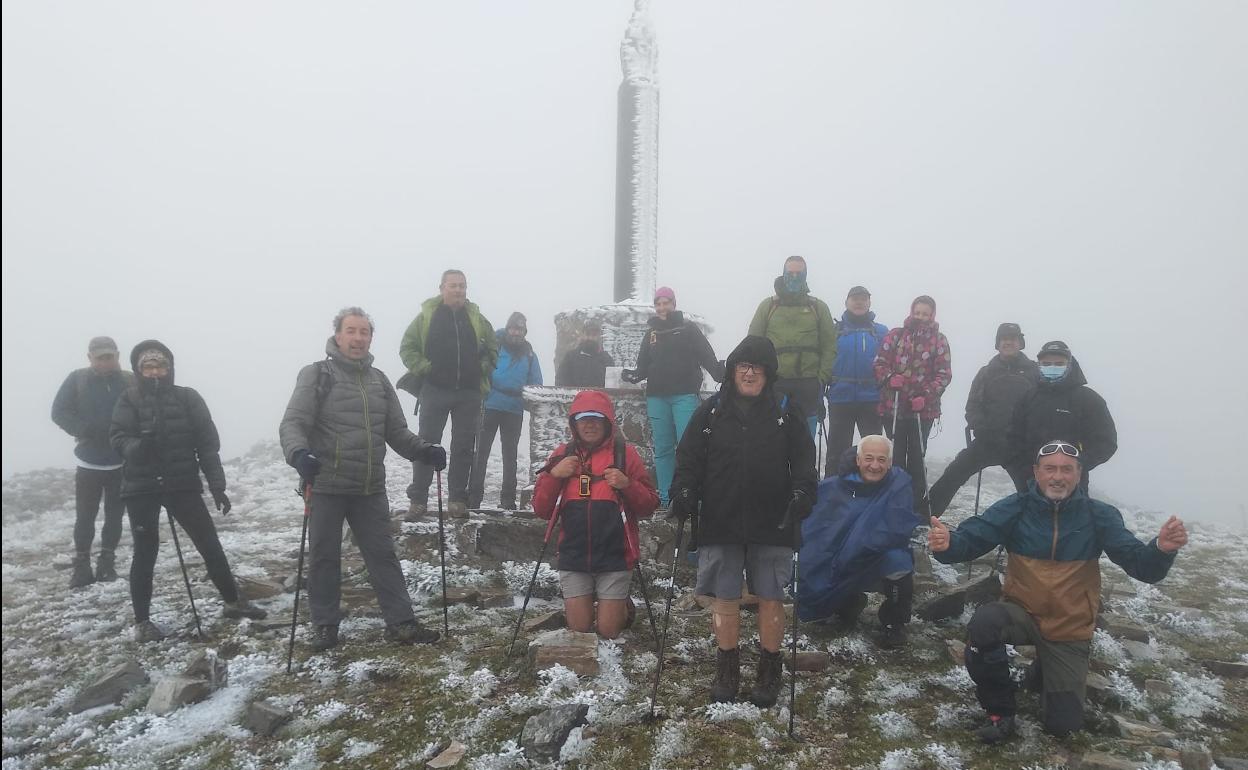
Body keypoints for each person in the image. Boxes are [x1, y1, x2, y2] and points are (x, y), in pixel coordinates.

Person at [929, 441, 1186, 742]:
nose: (1058, 476)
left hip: (1069, 626)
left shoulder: (1099, 515)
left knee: (1063, 727)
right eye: (1050, 468)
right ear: (1036, 472)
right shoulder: (1016, 507)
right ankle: (1001, 712)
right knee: (984, 625)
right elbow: (973, 537)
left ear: (1079, 474)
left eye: (1067, 469)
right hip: (1021, 613)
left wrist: (1161, 550)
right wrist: (949, 544)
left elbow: (1142, 566)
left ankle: (1041, 672)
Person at [280, 307, 446, 651]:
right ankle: (325, 626)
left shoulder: (379, 380)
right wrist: (299, 454)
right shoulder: (317, 375)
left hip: (370, 487)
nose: (358, 338)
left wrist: (425, 450)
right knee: (324, 557)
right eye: (351, 331)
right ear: (337, 335)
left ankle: (401, 623)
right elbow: (293, 423)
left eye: (364, 332)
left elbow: (397, 433)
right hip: (326, 484)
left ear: (371, 337)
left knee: (382, 554)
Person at [670, 335, 817, 707]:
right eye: (743, 366)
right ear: (733, 370)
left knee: (771, 595)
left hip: (774, 517)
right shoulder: (712, 410)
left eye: (757, 367)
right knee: (725, 596)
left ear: (768, 373)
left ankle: (770, 670)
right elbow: (688, 457)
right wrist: (683, 491)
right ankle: (727, 669)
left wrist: (803, 493)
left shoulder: (786, 411)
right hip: (722, 515)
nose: (749, 373)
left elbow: (803, 461)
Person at [111, 341, 266, 642]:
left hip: (181, 483)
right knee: (145, 552)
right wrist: (139, 446)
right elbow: (118, 438)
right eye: (148, 366)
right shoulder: (127, 400)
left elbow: (207, 445)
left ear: (170, 368)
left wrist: (217, 485)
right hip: (141, 487)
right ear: (138, 370)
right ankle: (142, 622)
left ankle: (233, 602)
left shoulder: (187, 398)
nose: (155, 372)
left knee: (208, 542)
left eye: (161, 365)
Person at [531, 390, 659, 638]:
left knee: (608, 631)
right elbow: (541, 510)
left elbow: (649, 505)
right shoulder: (561, 455)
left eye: (596, 418)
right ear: (574, 423)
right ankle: (592, 604)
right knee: (579, 628)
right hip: (574, 555)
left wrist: (627, 485)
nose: (589, 424)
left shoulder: (625, 455)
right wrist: (553, 475)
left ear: (607, 422)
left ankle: (620, 606)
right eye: (583, 419)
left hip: (615, 556)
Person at [797, 435, 920, 648]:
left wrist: (859, 547)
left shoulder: (899, 485)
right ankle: (846, 605)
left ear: (889, 463)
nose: (875, 465)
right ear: (858, 460)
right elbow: (816, 530)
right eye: (869, 458)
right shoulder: (834, 487)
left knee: (898, 561)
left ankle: (894, 622)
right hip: (841, 560)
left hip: (876, 558)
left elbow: (896, 527)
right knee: (818, 563)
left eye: (882, 460)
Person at [399, 269, 497, 520]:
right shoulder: (426, 317)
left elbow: (493, 347)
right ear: (441, 287)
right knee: (426, 444)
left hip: (469, 392)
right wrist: (426, 369)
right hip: (434, 389)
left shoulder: (476, 317)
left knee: (464, 446)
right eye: (453, 285)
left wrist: (482, 368)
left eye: (462, 286)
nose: (458, 290)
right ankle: (418, 500)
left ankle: (457, 500)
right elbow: (407, 347)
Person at [622, 286, 724, 507]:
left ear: (674, 304)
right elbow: (644, 366)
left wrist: (720, 372)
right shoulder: (651, 334)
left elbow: (706, 355)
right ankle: (668, 498)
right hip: (657, 397)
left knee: (689, 446)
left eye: (666, 302)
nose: (662, 307)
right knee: (663, 449)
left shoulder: (688, 329)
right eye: (658, 303)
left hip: (684, 395)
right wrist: (633, 375)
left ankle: (690, 495)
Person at [926, 323, 1040, 515]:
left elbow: (1041, 406)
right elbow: (972, 405)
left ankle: (1035, 527)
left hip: (1022, 446)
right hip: (988, 441)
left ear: (1021, 343)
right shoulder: (986, 372)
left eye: (1013, 339)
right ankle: (925, 517)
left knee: (1031, 490)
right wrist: (979, 426)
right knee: (953, 474)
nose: (1008, 342)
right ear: (997, 344)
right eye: (1004, 339)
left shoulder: (1035, 372)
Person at [51, 335, 135, 589]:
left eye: (110, 356)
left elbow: (144, 409)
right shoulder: (77, 379)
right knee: (85, 516)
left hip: (121, 461)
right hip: (89, 462)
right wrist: (85, 430)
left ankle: (106, 564)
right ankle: (81, 567)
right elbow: (58, 412)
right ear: (90, 358)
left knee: (115, 516)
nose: (106, 362)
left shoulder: (130, 381)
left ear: (118, 355)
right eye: (101, 358)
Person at [873, 295, 951, 515]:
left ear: (932, 315)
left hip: (922, 411)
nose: (921, 317)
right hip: (893, 407)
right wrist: (889, 378)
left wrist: (925, 396)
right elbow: (879, 362)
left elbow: (943, 374)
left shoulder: (939, 340)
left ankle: (916, 507)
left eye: (925, 314)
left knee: (917, 457)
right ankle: (891, 501)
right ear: (911, 311)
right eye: (917, 312)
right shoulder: (896, 335)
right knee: (895, 456)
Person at [1005, 340, 1117, 492]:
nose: (1052, 367)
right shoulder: (1028, 398)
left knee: (1072, 516)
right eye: (1046, 364)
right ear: (1039, 365)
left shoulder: (1089, 399)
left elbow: (1106, 442)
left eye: (1059, 364)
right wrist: (1026, 469)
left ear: (1070, 365)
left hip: (1073, 484)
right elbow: (1013, 438)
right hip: (1030, 481)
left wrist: (1076, 465)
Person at [747, 255, 837, 438]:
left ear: (805, 275)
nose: (794, 277)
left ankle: (803, 467)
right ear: (783, 274)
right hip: (775, 382)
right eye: (790, 273)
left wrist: (821, 378)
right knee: (772, 437)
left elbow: (829, 346)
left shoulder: (818, 307)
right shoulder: (768, 306)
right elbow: (753, 344)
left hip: (809, 383)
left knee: (805, 439)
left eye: (799, 273)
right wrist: (758, 378)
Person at [468, 312, 542, 511]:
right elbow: (479, 369)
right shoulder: (494, 345)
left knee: (510, 456)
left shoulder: (529, 354)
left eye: (520, 329)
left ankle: (508, 500)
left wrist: (530, 400)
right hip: (489, 405)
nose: (516, 332)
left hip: (514, 409)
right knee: (480, 453)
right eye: (513, 328)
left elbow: (536, 382)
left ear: (524, 332)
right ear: (508, 328)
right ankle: (473, 499)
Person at [824, 286, 888, 474]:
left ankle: (873, 494)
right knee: (837, 452)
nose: (859, 302)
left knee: (872, 452)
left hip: (872, 400)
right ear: (846, 302)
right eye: (855, 299)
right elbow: (824, 362)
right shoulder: (834, 331)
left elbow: (891, 363)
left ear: (869, 302)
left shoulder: (881, 332)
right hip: (840, 398)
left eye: (863, 299)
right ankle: (833, 494)